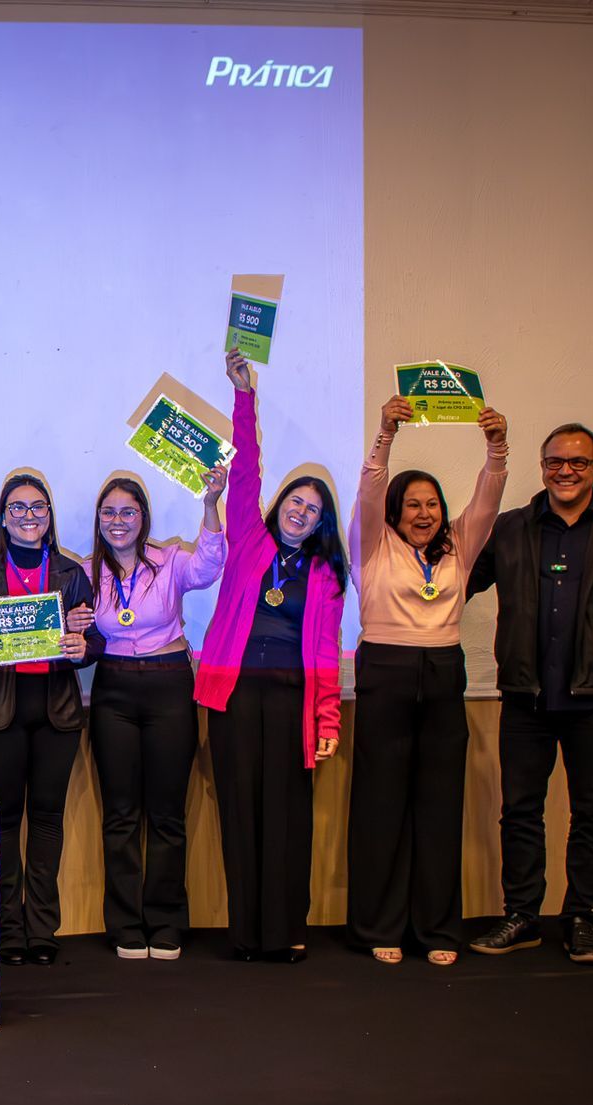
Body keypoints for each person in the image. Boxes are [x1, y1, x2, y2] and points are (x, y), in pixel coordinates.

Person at [466, 422, 593, 965]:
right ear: (542, 467)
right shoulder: (511, 528)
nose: (565, 471)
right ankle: (523, 916)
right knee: (520, 812)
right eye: (556, 461)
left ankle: (582, 916)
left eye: (578, 463)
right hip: (525, 698)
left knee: (592, 813)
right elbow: (457, 581)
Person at [195, 349, 348, 963]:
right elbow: (248, 467)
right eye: (295, 500)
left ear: (319, 522)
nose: (300, 510)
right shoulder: (249, 537)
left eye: (312, 509)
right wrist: (244, 395)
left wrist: (329, 719)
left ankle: (286, 932)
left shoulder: (326, 575)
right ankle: (245, 936)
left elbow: (328, 654)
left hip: (292, 702)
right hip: (234, 695)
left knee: (289, 818)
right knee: (240, 813)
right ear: (279, 502)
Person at [344, 398, 509, 966]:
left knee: (440, 809)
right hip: (385, 671)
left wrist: (496, 447)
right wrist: (386, 435)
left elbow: (488, 500)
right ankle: (378, 927)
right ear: (394, 511)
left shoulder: (460, 547)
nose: (423, 512)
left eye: (432, 503)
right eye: (411, 504)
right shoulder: (372, 545)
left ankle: (437, 930)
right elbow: (368, 490)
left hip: (442, 674)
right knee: (381, 806)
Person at [0, 472, 102, 966]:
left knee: (48, 819)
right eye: (18, 508)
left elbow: (91, 642)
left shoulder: (73, 573)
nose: (29, 516)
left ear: (49, 517)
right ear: (3, 518)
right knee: (5, 820)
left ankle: (42, 929)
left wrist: (83, 645)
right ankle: (7, 930)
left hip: (55, 709)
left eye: (38, 508)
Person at [85, 467, 226, 961]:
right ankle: (126, 924)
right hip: (114, 690)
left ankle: (166, 921)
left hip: (169, 683)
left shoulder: (170, 561)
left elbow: (210, 567)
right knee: (121, 814)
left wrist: (211, 505)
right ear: (98, 519)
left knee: (167, 813)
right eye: (109, 512)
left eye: (128, 511)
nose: (118, 520)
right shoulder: (86, 572)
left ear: (143, 516)